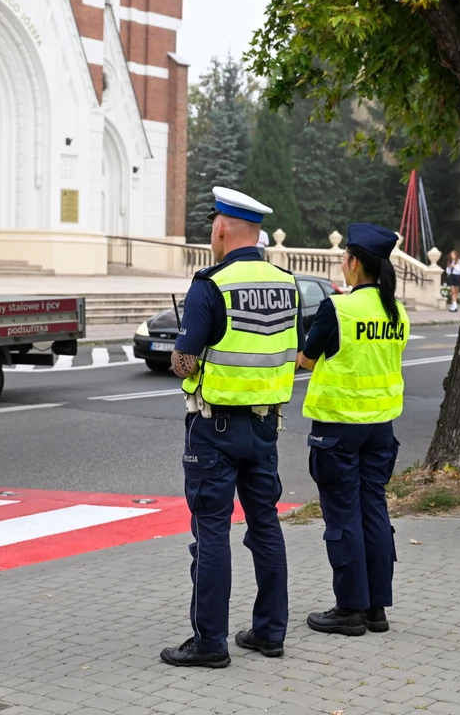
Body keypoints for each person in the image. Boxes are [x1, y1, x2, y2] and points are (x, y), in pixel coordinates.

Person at [161, 186, 300, 669]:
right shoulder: (288, 283)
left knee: (212, 533)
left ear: (221, 228)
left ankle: (209, 644)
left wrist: (187, 363)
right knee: (266, 527)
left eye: (212, 227)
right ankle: (270, 633)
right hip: (266, 428)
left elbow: (182, 361)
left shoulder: (210, 284)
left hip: (213, 429)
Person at [297, 223, 409, 637]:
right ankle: (376, 608)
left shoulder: (338, 309)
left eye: (344, 258)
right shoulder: (397, 314)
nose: (342, 265)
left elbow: (305, 361)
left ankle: (349, 610)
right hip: (381, 428)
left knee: (343, 516)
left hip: (338, 430)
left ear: (354, 262)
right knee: (374, 512)